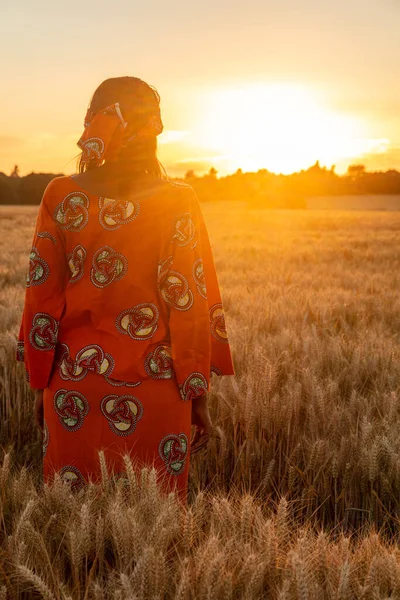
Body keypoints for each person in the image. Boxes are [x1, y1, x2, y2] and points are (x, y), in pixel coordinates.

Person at [16, 76, 235, 498]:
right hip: (158, 387)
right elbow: (188, 301)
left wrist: (41, 385)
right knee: (156, 528)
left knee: (71, 525)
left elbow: (41, 299)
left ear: (96, 123)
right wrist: (197, 394)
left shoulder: (61, 195)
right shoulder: (178, 199)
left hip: (75, 386)